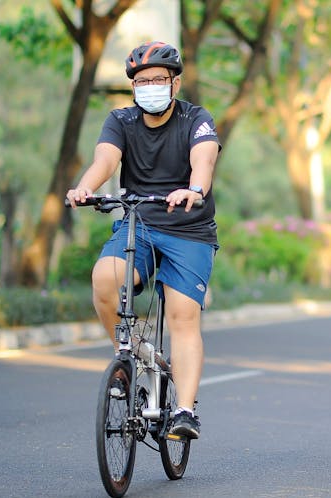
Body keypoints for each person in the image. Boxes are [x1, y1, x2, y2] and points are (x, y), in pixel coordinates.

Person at [66, 41, 220, 440]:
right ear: (133, 86)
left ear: (175, 82)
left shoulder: (196, 118)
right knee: (104, 279)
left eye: (158, 79)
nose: (150, 86)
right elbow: (105, 160)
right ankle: (131, 353)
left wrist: (195, 189)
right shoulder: (121, 120)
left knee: (183, 315)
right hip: (140, 223)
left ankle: (185, 411)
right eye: (142, 81)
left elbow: (203, 160)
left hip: (189, 228)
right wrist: (84, 188)